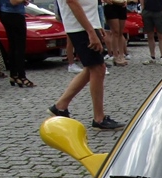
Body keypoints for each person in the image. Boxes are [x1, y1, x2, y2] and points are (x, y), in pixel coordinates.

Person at [49, 0, 125, 130]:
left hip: (86, 25)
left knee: (91, 68)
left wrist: (96, 26)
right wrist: (90, 31)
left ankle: (60, 106)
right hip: (80, 27)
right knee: (98, 68)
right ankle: (99, 118)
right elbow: (72, 2)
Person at [0, 0, 34, 87]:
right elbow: (14, 2)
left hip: (6, 13)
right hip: (14, 15)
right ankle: (22, 76)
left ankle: (14, 75)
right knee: (19, 47)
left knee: (13, 46)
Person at [103, 0, 128, 65]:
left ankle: (121, 55)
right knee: (115, 32)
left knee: (121, 32)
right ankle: (115, 56)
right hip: (111, 5)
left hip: (121, 5)